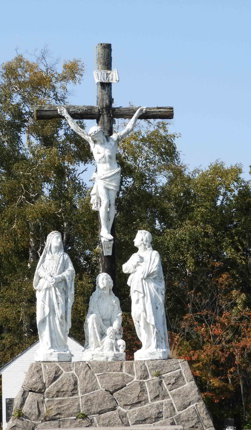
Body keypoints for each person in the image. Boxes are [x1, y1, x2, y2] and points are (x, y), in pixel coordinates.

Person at [58, 106, 146, 241]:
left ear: (101, 133)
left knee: (112, 204)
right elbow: (77, 130)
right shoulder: (93, 145)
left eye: (97, 136)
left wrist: (137, 114)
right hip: (101, 177)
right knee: (104, 202)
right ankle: (104, 230)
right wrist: (66, 115)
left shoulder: (113, 140)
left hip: (113, 174)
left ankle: (108, 229)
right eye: (93, 137)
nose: (95, 138)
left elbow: (128, 128)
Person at [122, 230, 169, 360]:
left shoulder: (153, 254)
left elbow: (153, 270)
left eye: (136, 238)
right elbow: (125, 268)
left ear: (143, 240)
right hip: (137, 290)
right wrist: (134, 263)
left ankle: (154, 345)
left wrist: (140, 269)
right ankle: (146, 343)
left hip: (150, 291)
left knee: (151, 315)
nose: (133, 240)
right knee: (138, 314)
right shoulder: (134, 256)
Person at [33, 231, 75, 360]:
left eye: (60, 238)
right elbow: (39, 270)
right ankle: (47, 344)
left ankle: (59, 345)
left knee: (59, 317)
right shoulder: (45, 257)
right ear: (50, 241)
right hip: (46, 290)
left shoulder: (64, 257)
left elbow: (70, 271)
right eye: (56, 238)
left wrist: (58, 278)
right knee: (46, 315)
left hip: (58, 291)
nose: (59, 240)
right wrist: (48, 277)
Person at [83, 273, 125, 360]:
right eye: (100, 280)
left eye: (104, 279)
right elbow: (95, 313)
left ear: (110, 283)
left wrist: (114, 329)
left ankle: (109, 346)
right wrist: (105, 329)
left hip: (110, 327)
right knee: (92, 317)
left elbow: (117, 316)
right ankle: (93, 347)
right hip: (97, 326)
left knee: (110, 344)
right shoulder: (95, 297)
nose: (101, 281)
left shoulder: (114, 300)